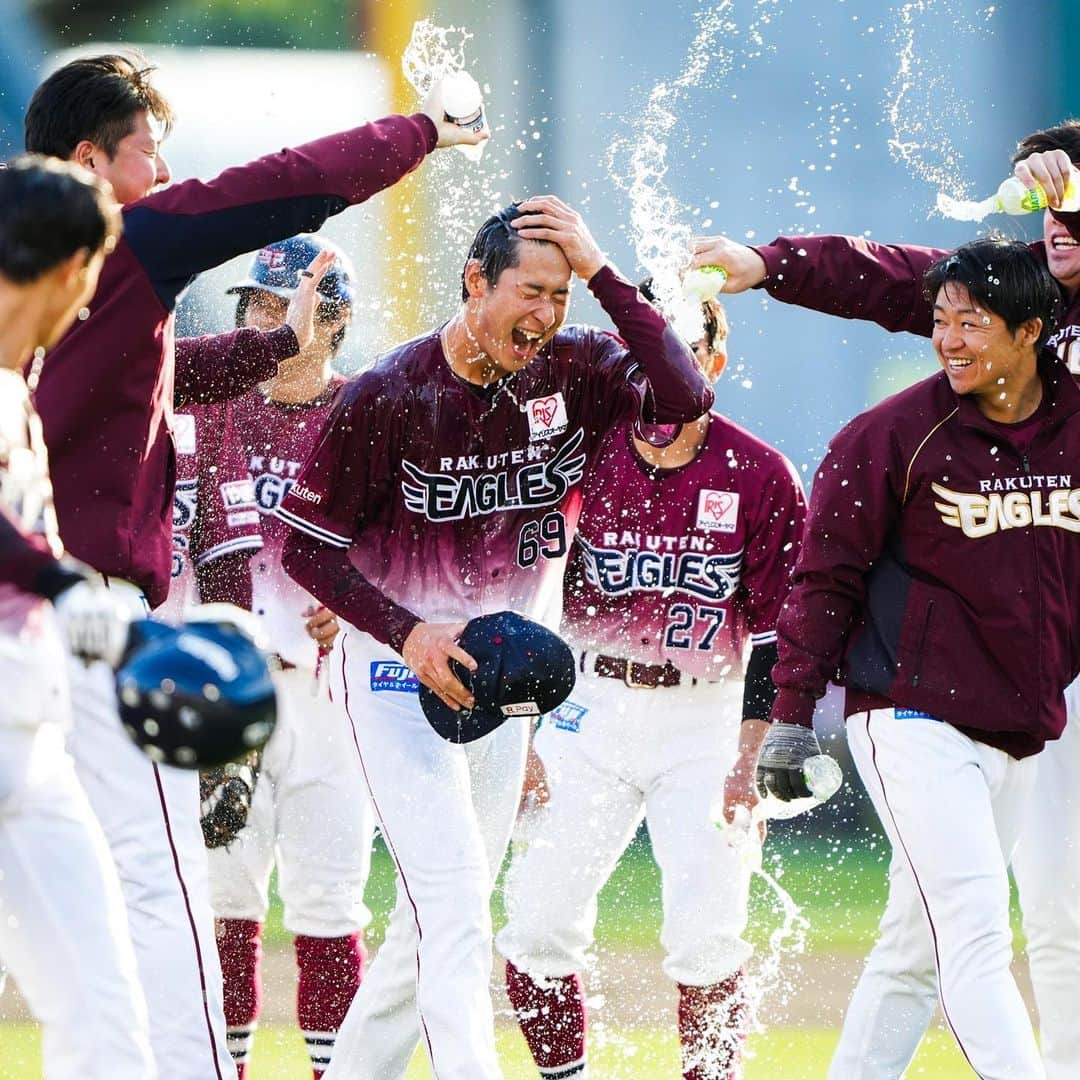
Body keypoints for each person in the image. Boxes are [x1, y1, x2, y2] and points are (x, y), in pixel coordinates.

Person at [23, 50, 485, 1080]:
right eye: (151, 150)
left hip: (24, 610)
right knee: (161, 882)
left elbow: (136, 380)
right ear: (94, 160)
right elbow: (272, 182)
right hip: (81, 613)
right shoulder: (127, 238)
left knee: (60, 894)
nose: (166, 168)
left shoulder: (25, 264)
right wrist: (421, 132)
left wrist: (269, 351)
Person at [277, 198, 713, 1079]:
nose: (547, 316)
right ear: (475, 282)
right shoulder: (388, 393)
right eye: (531, 291)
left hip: (504, 685)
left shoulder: (579, 370)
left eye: (562, 296)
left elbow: (686, 392)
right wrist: (407, 636)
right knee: (458, 908)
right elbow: (305, 548)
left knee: (431, 924)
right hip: (398, 677)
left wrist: (599, 272)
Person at [691, 120, 1080, 1080]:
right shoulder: (1000, 319)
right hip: (956, 687)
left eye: (1073, 212)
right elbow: (891, 275)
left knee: (939, 938)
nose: (1058, 228)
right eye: (1049, 214)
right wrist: (769, 263)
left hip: (1043, 668)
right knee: (1007, 920)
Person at [495, 290, 806, 1080]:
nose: (661, 371)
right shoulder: (587, 450)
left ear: (714, 362)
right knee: (533, 929)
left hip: (707, 720)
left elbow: (779, 633)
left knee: (706, 939)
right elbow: (518, 575)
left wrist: (752, 755)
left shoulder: (760, 470)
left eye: (682, 348)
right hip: (587, 708)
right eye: (646, 349)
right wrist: (525, 727)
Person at [184, 236, 373, 1080]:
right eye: (257, 307)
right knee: (222, 903)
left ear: (330, 322)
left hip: (329, 692)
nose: (265, 323)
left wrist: (356, 592)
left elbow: (406, 546)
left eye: (281, 307)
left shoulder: (366, 411)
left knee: (330, 903)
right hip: (224, 683)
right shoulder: (206, 407)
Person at [0, 155, 154, 1078]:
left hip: (26, 733)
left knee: (106, 1019)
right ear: (73, 270)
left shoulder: (15, 386)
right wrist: (65, 588)